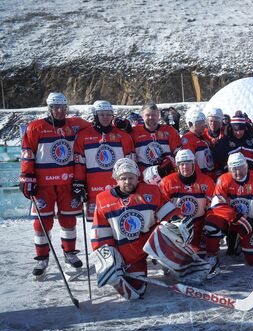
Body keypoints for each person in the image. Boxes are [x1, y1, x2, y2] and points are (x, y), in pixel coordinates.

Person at [20, 92, 91, 277]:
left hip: (67, 183)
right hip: (43, 185)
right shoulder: (35, 127)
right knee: (41, 223)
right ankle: (42, 258)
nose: (60, 111)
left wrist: (122, 126)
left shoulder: (75, 124)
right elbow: (28, 153)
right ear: (49, 108)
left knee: (68, 220)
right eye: (55, 107)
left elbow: (99, 127)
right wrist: (27, 176)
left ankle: (69, 254)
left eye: (63, 107)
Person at [91, 158, 180, 299]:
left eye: (131, 177)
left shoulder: (151, 191)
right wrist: (108, 259)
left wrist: (177, 223)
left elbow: (169, 213)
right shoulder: (103, 200)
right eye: (123, 178)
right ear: (116, 179)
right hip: (129, 253)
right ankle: (123, 274)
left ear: (137, 177)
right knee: (136, 290)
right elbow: (101, 233)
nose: (127, 182)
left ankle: (180, 266)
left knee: (174, 232)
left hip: (153, 243)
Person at [203, 152, 253, 265]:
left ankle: (240, 242)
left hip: (250, 223)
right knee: (211, 224)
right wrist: (237, 217)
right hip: (230, 221)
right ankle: (211, 255)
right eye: (234, 169)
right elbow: (217, 205)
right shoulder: (223, 180)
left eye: (241, 168)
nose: (238, 172)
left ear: (246, 166)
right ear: (229, 169)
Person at [73, 100, 135, 221]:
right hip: (93, 187)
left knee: (120, 221)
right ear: (95, 115)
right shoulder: (83, 136)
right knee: (98, 225)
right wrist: (78, 182)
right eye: (101, 114)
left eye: (108, 114)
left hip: (118, 187)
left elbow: (130, 164)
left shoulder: (123, 136)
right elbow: (79, 163)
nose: (105, 117)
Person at [159, 149, 215, 256]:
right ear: (177, 166)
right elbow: (161, 207)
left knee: (213, 225)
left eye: (188, 163)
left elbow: (212, 206)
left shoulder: (206, 181)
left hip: (199, 224)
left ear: (194, 164)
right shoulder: (167, 182)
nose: (185, 167)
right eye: (182, 164)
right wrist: (174, 222)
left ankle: (212, 252)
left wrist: (207, 222)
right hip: (178, 226)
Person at [130, 103, 181, 174]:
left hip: (167, 174)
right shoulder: (134, 132)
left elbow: (179, 154)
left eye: (154, 115)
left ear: (158, 116)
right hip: (143, 176)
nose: (151, 117)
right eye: (148, 115)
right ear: (142, 116)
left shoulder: (169, 131)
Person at [180, 108, 215, 177]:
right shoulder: (188, 139)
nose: (203, 125)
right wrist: (199, 177)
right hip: (200, 177)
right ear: (191, 124)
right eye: (199, 123)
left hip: (210, 175)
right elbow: (189, 161)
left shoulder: (203, 137)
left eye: (203, 122)